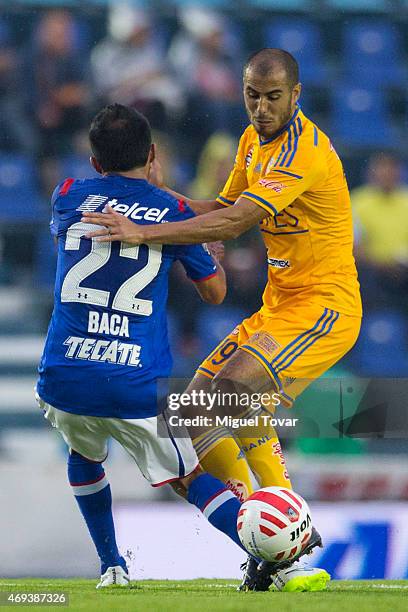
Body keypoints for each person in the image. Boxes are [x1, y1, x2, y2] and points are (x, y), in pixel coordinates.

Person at [82, 48, 362, 592]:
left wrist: (142, 232)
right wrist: (158, 194)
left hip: (325, 306)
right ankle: (271, 546)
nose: (261, 108)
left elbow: (236, 223)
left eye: (273, 97)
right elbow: (218, 209)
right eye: (252, 96)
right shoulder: (250, 142)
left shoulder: (304, 151)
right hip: (281, 305)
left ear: (296, 95)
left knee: (231, 393)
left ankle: (292, 540)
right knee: (194, 410)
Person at [36, 103, 257, 588]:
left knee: (84, 451)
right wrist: (209, 254)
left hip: (64, 376)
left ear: (94, 161)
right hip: (135, 382)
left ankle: (112, 564)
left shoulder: (68, 194)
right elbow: (214, 293)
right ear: (153, 153)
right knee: (189, 478)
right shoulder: (173, 213)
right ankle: (270, 556)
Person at [351, 152, 408, 311]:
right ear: (371, 172)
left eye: (391, 169)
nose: (387, 174)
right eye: (382, 168)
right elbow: (354, 246)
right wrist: (382, 265)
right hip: (372, 272)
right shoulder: (357, 202)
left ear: (399, 172)